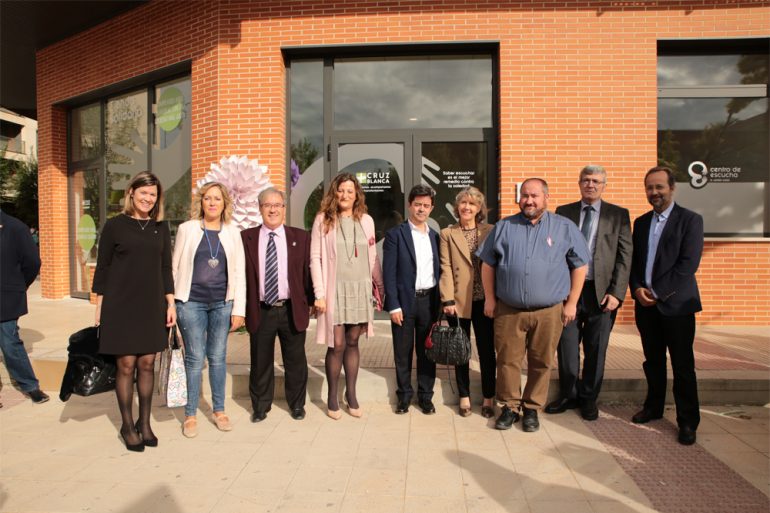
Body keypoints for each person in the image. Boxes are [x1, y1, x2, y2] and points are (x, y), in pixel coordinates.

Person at [477, 178, 589, 432]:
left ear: (546, 198)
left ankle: (531, 408)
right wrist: (491, 299)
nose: (529, 200)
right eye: (525, 195)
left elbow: (580, 266)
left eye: (534, 195)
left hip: (549, 311)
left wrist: (571, 302)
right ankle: (508, 407)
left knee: (541, 361)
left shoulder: (564, 227)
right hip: (509, 309)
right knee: (507, 360)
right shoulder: (504, 226)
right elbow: (487, 264)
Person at [93, 172, 176, 452]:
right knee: (126, 365)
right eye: (143, 193)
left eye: (153, 194)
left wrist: (171, 303)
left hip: (152, 304)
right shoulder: (115, 226)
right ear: (131, 192)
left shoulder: (160, 228)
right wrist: (99, 306)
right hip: (120, 305)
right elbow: (102, 267)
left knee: (147, 364)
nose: (148, 198)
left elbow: (166, 268)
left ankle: (145, 423)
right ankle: (127, 425)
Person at [546, 165, 632, 420]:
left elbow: (625, 256)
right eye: (586, 180)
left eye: (595, 181)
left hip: (602, 293)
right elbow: (554, 253)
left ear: (604, 185)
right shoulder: (564, 212)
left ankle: (588, 398)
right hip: (570, 291)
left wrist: (617, 293)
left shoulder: (618, 215)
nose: (590, 184)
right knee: (567, 347)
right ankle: (568, 394)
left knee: (596, 348)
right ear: (579, 183)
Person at [629, 166, 703, 446]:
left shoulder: (691, 220)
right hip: (646, 306)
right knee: (653, 361)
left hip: (677, 306)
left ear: (672, 188)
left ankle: (687, 421)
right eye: (650, 188)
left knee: (683, 365)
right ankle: (654, 407)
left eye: (659, 187)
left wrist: (658, 292)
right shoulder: (642, 222)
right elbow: (636, 263)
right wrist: (636, 288)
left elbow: (688, 264)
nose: (654, 192)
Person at [172, 182, 246, 438]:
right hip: (190, 302)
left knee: (217, 357)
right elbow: (174, 267)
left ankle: (219, 410)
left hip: (222, 304)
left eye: (217, 199)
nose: (212, 203)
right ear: (201, 202)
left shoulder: (233, 233)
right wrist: (171, 303)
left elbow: (239, 273)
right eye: (208, 198)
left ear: (224, 203)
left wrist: (240, 309)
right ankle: (190, 414)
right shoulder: (187, 229)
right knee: (194, 359)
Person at [311, 173, 384, 419]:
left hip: (360, 289)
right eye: (341, 190)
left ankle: (351, 395)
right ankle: (333, 396)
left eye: (350, 191)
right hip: (335, 289)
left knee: (353, 342)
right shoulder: (323, 220)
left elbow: (372, 256)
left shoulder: (367, 220)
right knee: (337, 343)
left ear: (357, 195)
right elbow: (315, 258)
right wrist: (319, 293)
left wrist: (378, 287)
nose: (345, 195)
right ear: (334, 193)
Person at [242, 187, 313, 423]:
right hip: (260, 309)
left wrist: (310, 301)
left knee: (295, 361)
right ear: (260, 208)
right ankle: (261, 406)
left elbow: (307, 273)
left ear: (284, 209)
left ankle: (297, 405)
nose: (272, 209)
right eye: (267, 205)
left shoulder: (300, 237)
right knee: (260, 361)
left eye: (277, 205)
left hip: (291, 308)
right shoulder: (246, 238)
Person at [439, 187, 496, 418]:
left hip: (484, 301)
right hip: (459, 301)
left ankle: (488, 397)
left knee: (486, 351)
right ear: (457, 206)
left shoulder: (491, 231)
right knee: (460, 351)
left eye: (472, 204)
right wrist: (448, 299)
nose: (467, 207)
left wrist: (494, 298)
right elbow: (445, 266)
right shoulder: (447, 233)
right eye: (463, 203)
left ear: (479, 208)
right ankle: (464, 396)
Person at [383, 184, 440, 415]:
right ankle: (404, 396)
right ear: (409, 205)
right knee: (403, 351)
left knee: (428, 352)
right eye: (418, 204)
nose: (421, 209)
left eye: (426, 205)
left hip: (429, 301)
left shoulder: (436, 237)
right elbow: (389, 273)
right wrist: (393, 305)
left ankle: (426, 396)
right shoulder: (395, 235)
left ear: (431, 208)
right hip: (404, 303)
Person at [0, 210, 48, 405]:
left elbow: (33, 262)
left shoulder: (15, 227)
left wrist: (19, 285)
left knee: (9, 342)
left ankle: (30, 386)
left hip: (6, 296)